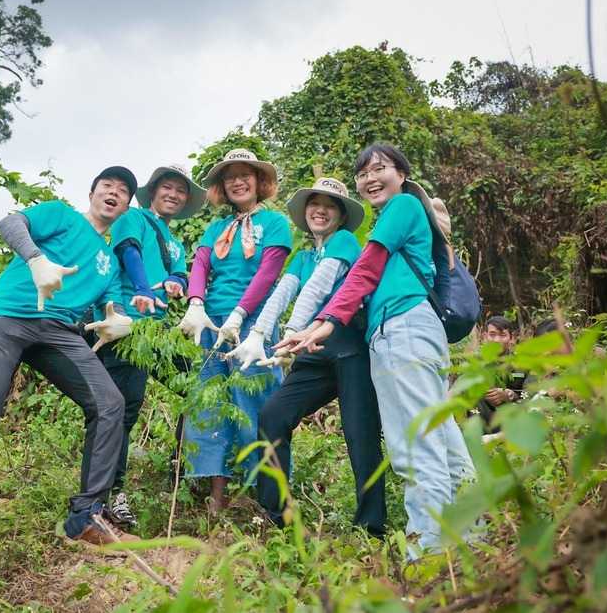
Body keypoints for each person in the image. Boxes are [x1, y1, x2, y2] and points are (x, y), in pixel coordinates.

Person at [279, 143, 475, 555]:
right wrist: (317, 326)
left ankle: (428, 557)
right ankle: (474, 541)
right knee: (444, 441)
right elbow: (365, 283)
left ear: (401, 174)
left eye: (380, 168)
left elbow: (365, 271)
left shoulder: (403, 207)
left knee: (415, 447)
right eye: (362, 173)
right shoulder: (400, 215)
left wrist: (324, 324)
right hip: (413, 331)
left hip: (402, 330)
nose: (370, 178)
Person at [0, 166, 141, 574]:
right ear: (92, 192)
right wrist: (35, 259)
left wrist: (118, 318)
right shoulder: (62, 215)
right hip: (8, 316)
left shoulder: (108, 261)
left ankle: (86, 517)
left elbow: (113, 303)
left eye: (123, 191)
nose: (114, 193)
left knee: (110, 403)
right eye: (108, 185)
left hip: (59, 330)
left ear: (125, 206)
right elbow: (11, 222)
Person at [226, 177, 386, 536]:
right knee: (272, 414)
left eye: (330, 206)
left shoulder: (344, 242)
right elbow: (282, 294)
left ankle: (371, 527)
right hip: (313, 352)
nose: (321, 210)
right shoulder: (302, 256)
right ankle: (276, 513)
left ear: (341, 216)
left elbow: (317, 289)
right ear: (305, 211)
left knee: (360, 435)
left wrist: (293, 337)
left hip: (347, 348)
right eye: (315, 203)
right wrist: (258, 335)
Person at [176, 149, 292, 515]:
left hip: (255, 326)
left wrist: (242, 314)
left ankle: (267, 497)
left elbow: (268, 273)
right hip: (212, 322)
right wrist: (195, 302)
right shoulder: (215, 229)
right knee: (212, 403)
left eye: (246, 175)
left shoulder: (275, 224)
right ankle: (217, 496)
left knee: (255, 401)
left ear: (260, 182)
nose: (238, 181)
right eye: (230, 177)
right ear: (222, 187)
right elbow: (201, 265)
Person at [92, 163, 207, 528]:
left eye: (180, 190)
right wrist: (142, 288)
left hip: (157, 332)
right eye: (167, 188)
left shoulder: (174, 240)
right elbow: (128, 252)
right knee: (123, 411)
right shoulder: (134, 218)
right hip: (125, 328)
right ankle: (111, 492)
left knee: (196, 388)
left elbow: (181, 272)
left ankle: (183, 471)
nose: (173, 194)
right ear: (153, 191)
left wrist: (174, 280)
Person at [474, 315, 528, 433]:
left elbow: (533, 393)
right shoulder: (476, 362)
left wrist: (511, 395)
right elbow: (458, 388)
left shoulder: (524, 363)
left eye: (502, 335)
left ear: (511, 337)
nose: (497, 340)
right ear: (485, 336)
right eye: (492, 335)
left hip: (513, 417)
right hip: (483, 417)